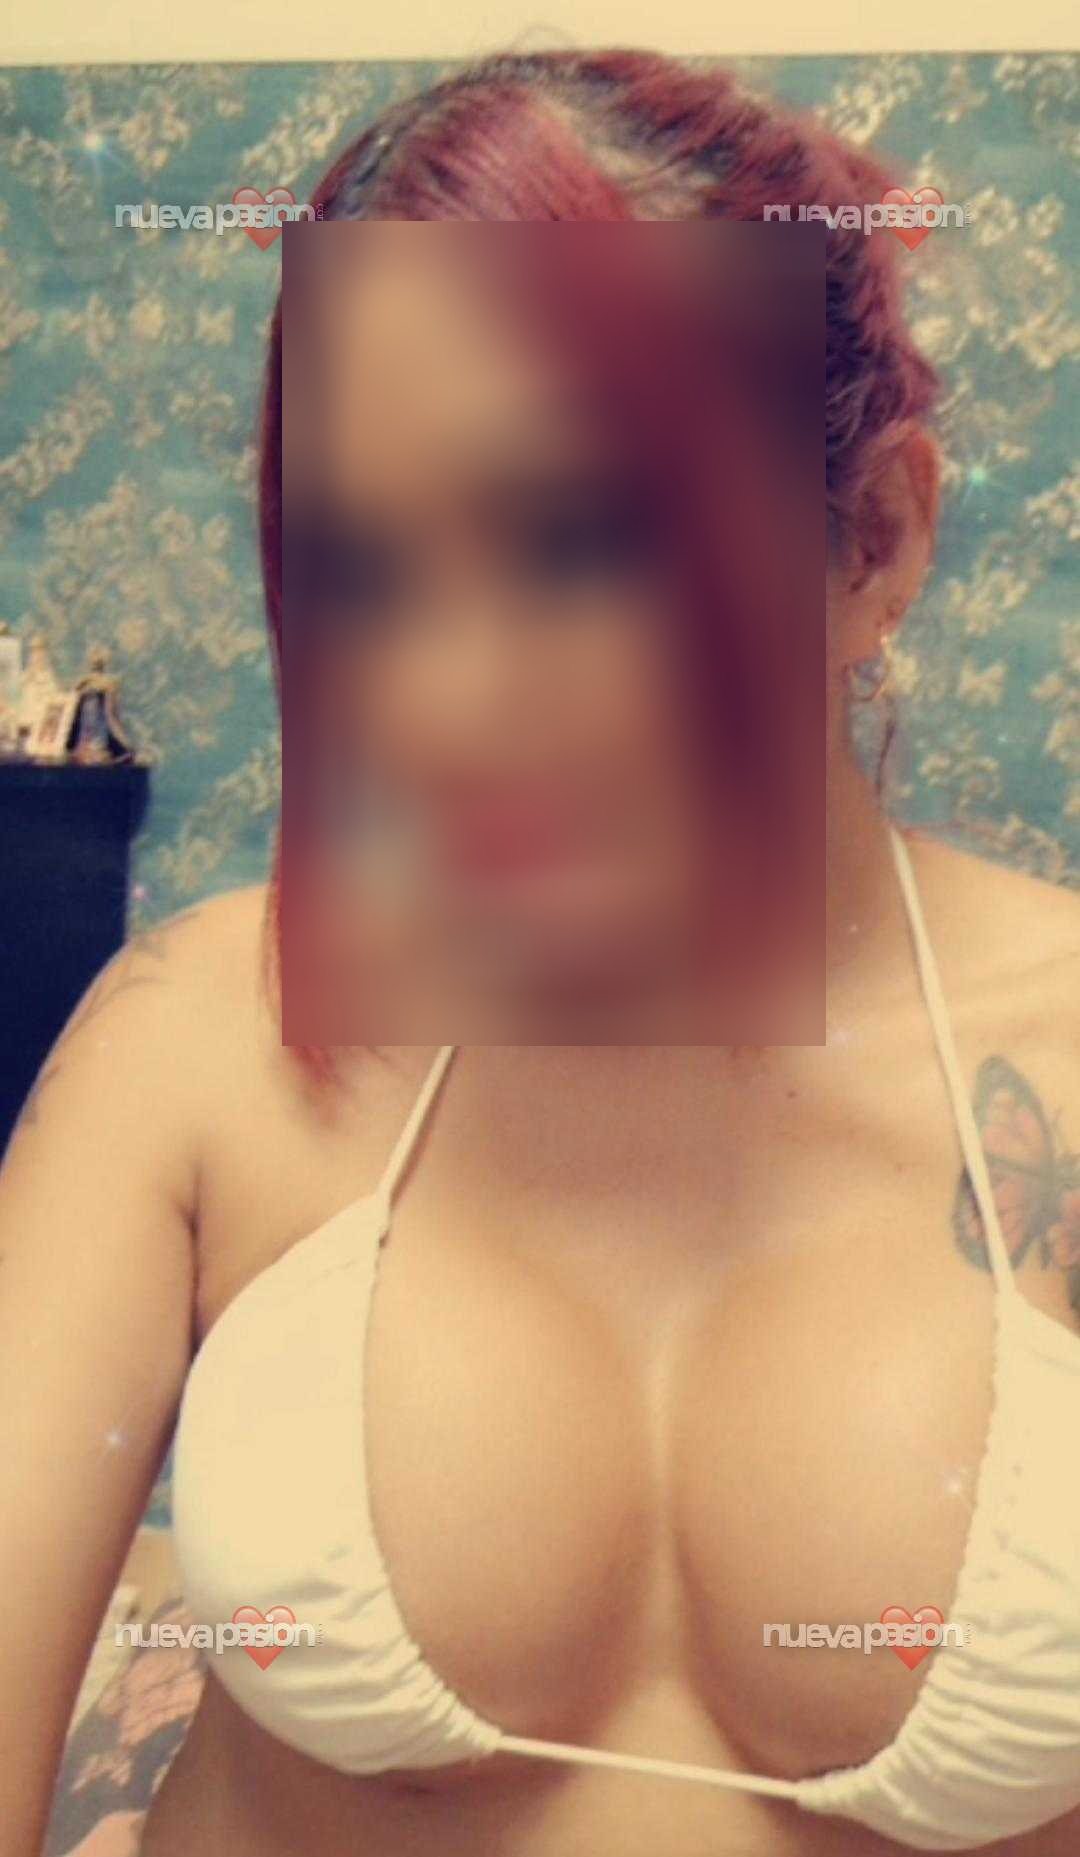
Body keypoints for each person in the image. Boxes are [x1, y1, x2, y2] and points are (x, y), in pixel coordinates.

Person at [2, 48, 1078, 1857]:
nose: (443, 697)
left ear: (876, 540)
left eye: (577, 541)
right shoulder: (200, 1043)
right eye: (368, 568)